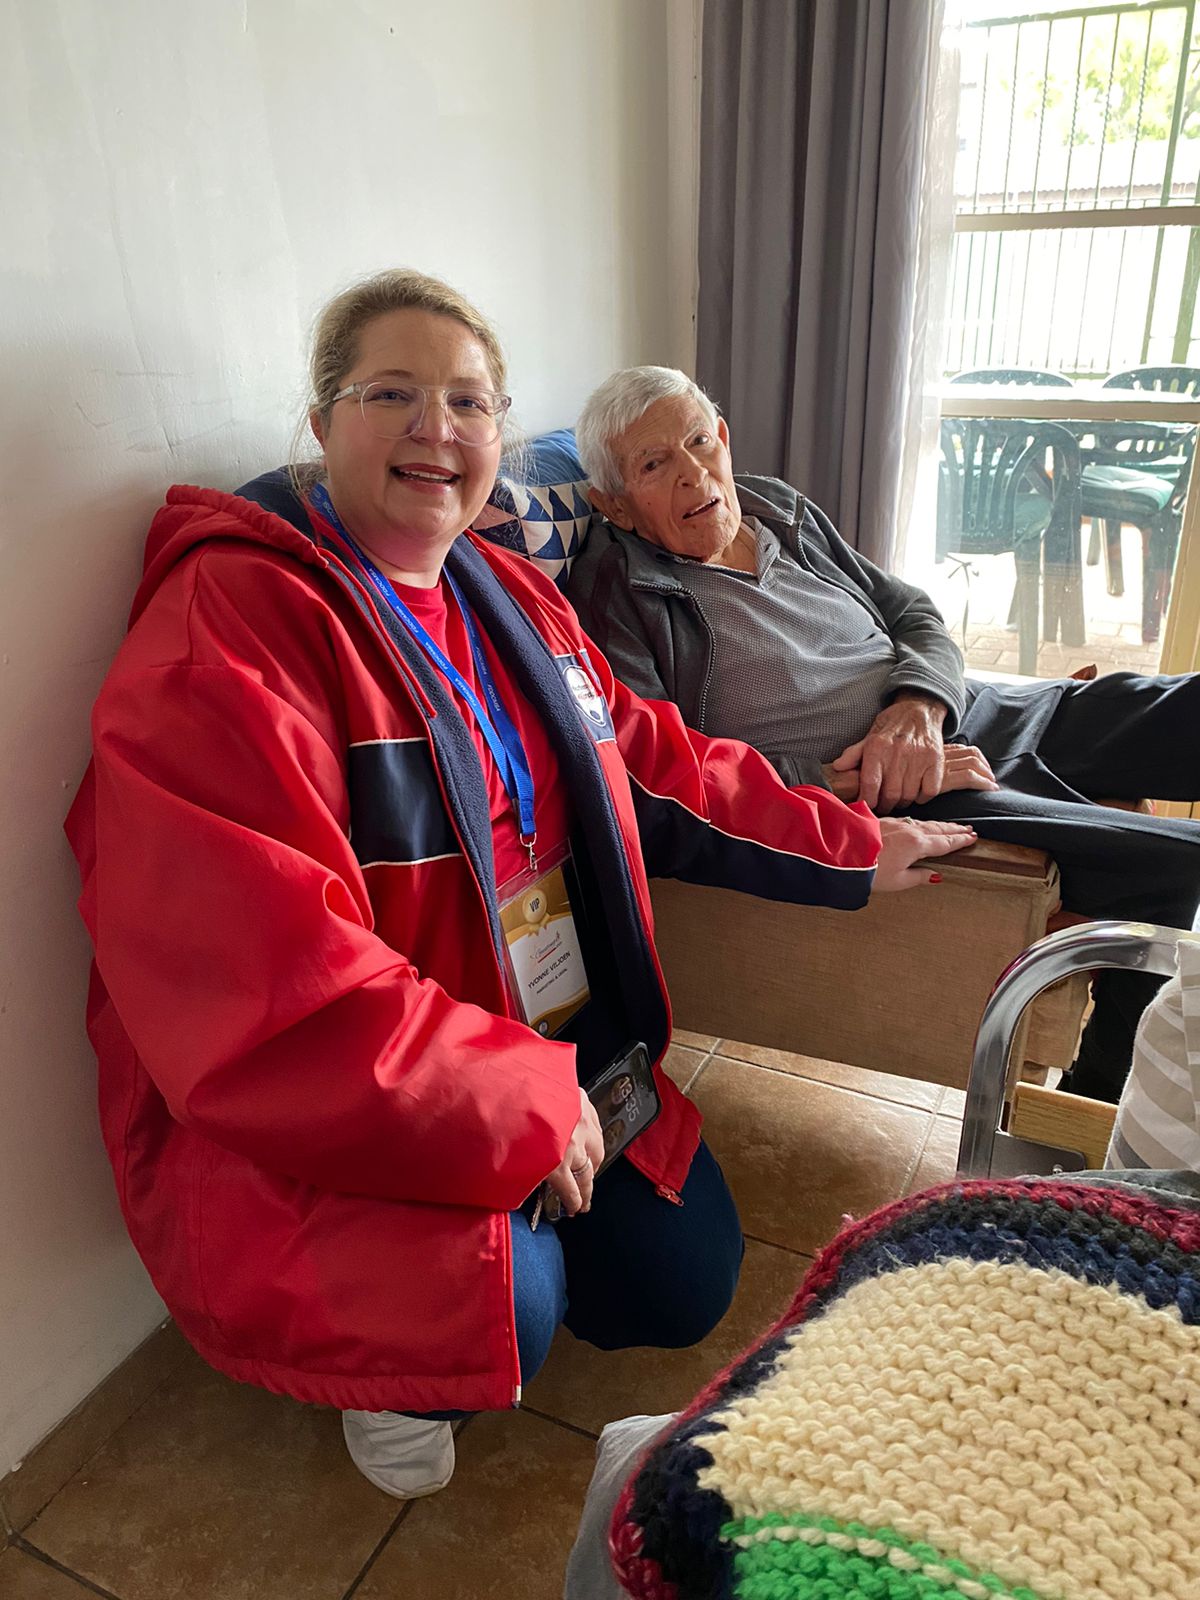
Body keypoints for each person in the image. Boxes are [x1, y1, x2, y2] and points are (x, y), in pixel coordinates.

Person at [65, 271, 973, 1502]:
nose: (435, 428)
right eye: (392, 393)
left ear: (500, 433)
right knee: (505, 1306)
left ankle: (536, 1210)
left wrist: (853, 842)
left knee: (679, 1283)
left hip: (540, 1016)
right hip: (354, 1089)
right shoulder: (227, 627)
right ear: (322, 422)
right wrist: (523, 1100)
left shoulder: (507, 589)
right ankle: (397, 1386)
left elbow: (650, 754)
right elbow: (268, 988)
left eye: (468, 401)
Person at [565, 366, 1200, 1102]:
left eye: (700, 441)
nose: (693, 474)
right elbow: (660, 776)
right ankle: (1100, 1113)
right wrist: (831, 778)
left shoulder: (777, 508)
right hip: (907, 790)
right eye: (654, 465)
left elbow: (915, 614)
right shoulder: (615, 594)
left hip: (970, 710)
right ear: (613, 503)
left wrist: (918, 706)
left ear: (724, 438)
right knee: (1174, 864)